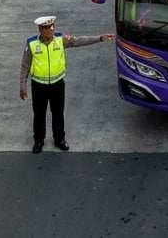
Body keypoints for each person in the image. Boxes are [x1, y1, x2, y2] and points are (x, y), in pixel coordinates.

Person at [20, 15, 115, 154]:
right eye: (47, 27)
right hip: (39, 86)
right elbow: (25, 66)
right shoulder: (31, 43)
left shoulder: (61, 39)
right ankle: (39, 140)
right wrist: (23, 86)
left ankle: (59, 139)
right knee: (39, 114)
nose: (51, 29)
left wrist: (100, 38)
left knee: (58, 113)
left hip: (57, 85)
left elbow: (79, 41)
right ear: (40, 29)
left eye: (53, 26)